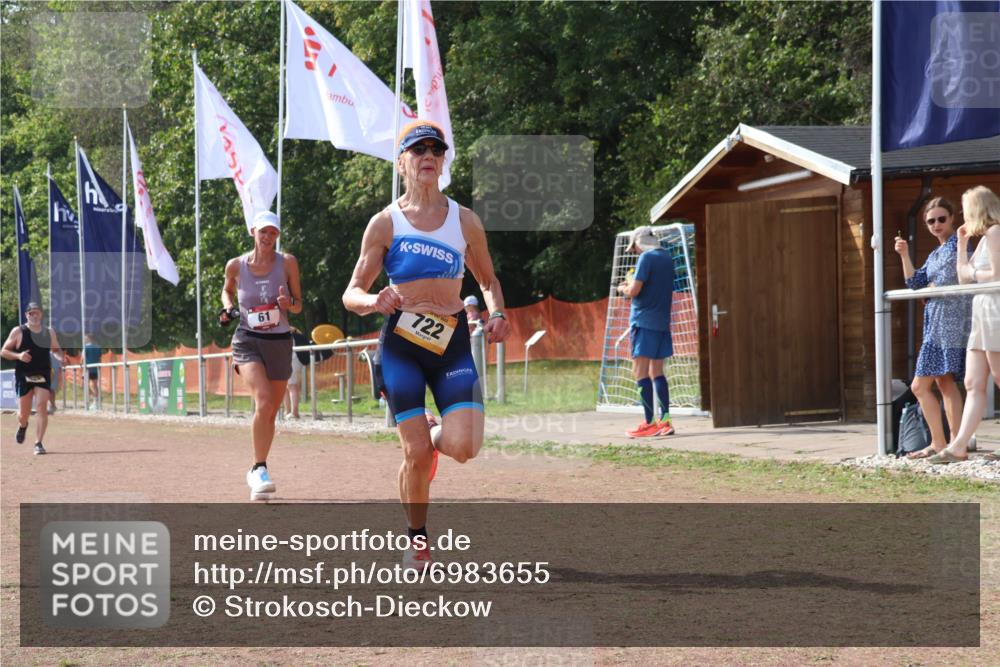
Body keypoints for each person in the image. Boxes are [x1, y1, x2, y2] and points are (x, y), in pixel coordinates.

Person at [343, 120, 511, 570]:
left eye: (435, 149)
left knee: (464, 447)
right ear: (402, 162)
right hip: (402, 345)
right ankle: (417, 540)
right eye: (417, 150)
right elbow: (351, 292)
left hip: (452, 341)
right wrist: (373, 299)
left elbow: (488, 280)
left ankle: (435, 432)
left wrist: (496, 313)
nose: (427, 156)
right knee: (414, 454)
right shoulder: (385, 223)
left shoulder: (465, 220)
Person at [219, 210, 303, 498]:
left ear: (277, 236)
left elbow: (298, 306)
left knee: (269, 412)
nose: (268, 237)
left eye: (273, 232)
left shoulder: (288, 262)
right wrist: (227, 308)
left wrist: (286, 302)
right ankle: (258, 469)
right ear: (252, 231)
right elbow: (226, 291)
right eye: (263, 231)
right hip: (247, 340)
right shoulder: (236, 265)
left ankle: (258, 467)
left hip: (279, 342)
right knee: (264, 401)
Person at [893, 196, 971, 459]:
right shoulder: (936, 253)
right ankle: (946, 443)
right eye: (931, 221)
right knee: (940, 383)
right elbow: (915, 282)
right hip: (935, 323)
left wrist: (931, 290)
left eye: (941, 219)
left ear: (952, 219)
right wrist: (904, 254)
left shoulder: (956, 247)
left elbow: (951, 280)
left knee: (926, 385)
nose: (936, 224)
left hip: (949, 322)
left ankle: (950, 444)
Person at [931, 186, 1000, 464]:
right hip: (981, 311)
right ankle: (958, 445)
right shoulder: (982, 238)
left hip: (995, 309)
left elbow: (996, 274)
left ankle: (958, 445)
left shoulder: (995, 232)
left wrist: (972, 272)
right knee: (973, 382)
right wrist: (961, 245)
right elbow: (963, 278)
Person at [617, 226, 675, 437]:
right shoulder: (667, 257)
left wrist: (623, 288)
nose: (635, 253)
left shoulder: (646, 258)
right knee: (657, 373)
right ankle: (665, 420)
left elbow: (634, 291)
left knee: (640, 372)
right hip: (662, 323)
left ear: (639, 243)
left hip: (643, 322)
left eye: (634, 248)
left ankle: (650, 422)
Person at [1, 302, 63, 455]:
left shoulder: (49, 332)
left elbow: (56, 349)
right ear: (26, 315)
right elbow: (4, 351)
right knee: (23, 414)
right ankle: (23, 426)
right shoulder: (18, 331)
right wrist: (19, 355)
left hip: (43, 373)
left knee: (42, 406)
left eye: (37, 313)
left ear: (41, 314)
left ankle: (38, 443)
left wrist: (60, 357)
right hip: (24, 375)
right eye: (31, 313)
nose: (34, 316)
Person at [284, 327, 306, 420]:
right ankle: (288, 411)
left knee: (292, 386)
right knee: (284, 386)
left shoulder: (289, 330)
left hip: (292, 358)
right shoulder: (290, 329)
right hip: (285, 358)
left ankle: (294, 412)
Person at [83, 334, 101, 410]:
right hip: (95, 368)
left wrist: (82, 366)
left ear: (89, 339)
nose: (84, 340)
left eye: (85, 338)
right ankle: (96, 400)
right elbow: (100, 358)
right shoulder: (98, 347)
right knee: (94, 384)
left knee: (87, 384)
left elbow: (83, 358)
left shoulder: (86, 348)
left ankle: (95, 399)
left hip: (88, 368)